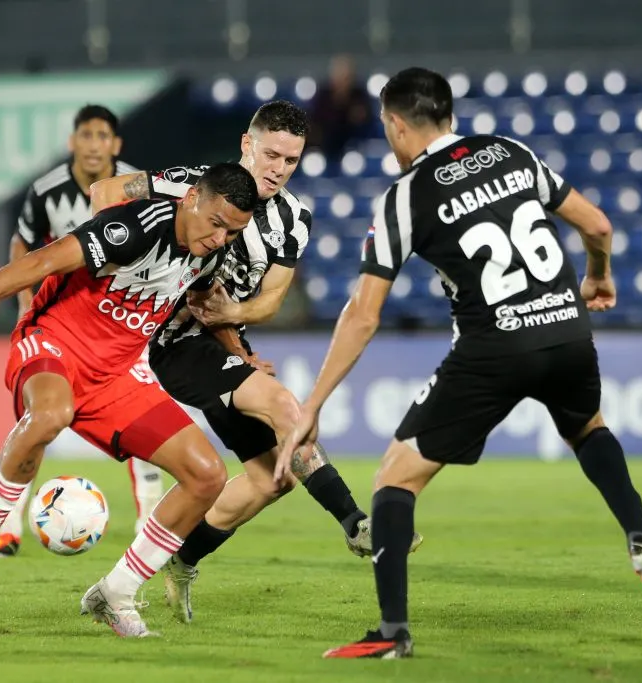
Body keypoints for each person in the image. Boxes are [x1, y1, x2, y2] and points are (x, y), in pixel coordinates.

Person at [278, 67, 642, 659]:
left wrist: (313, 404)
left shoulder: (405, 195)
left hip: (494, 345)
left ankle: (392, 634)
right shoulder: (512, 152)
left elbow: (363, 314)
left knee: (394, 477)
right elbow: (597, 224)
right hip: (568, 331)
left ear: (395, 125)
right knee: (588, 428)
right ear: (450, 115)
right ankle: (641, 538)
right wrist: (596, 275)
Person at [89, 100, 421, 624]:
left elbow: (270, 300)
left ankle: (182, 557)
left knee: (273, 479)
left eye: (290, 161)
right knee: (283, 404)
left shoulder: (294, 219)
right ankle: (358, 522)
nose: (278, 168)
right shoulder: (194, 186)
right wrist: (122, 258)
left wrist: (235, 319)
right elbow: (106, 193)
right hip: (169, 340)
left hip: (222, 343)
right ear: (247, 143)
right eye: (270, 154)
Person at [0, 163, 259, 638]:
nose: (221, 238)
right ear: (191, 199)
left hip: (115, 374)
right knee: (51, 415)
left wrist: (244, 356)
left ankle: (116, 593)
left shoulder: (208, 254)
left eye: (233, 231)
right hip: (55, 342)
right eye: (216, 223)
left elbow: (205, 303)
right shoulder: (135, 227)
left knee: (208, 475)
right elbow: (42, 262)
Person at [0, 104, 158, 557]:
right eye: (85, 135)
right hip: (62, 321)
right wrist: (26, 303)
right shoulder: (47, 190)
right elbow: (22, 242)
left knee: (144, 420)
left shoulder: (138, 185)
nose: (93, 144)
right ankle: (5, 527)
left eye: (102, 136)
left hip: (122, 322)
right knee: (37, 423)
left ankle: (152, 521)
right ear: (72, 142)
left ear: (116, 144)